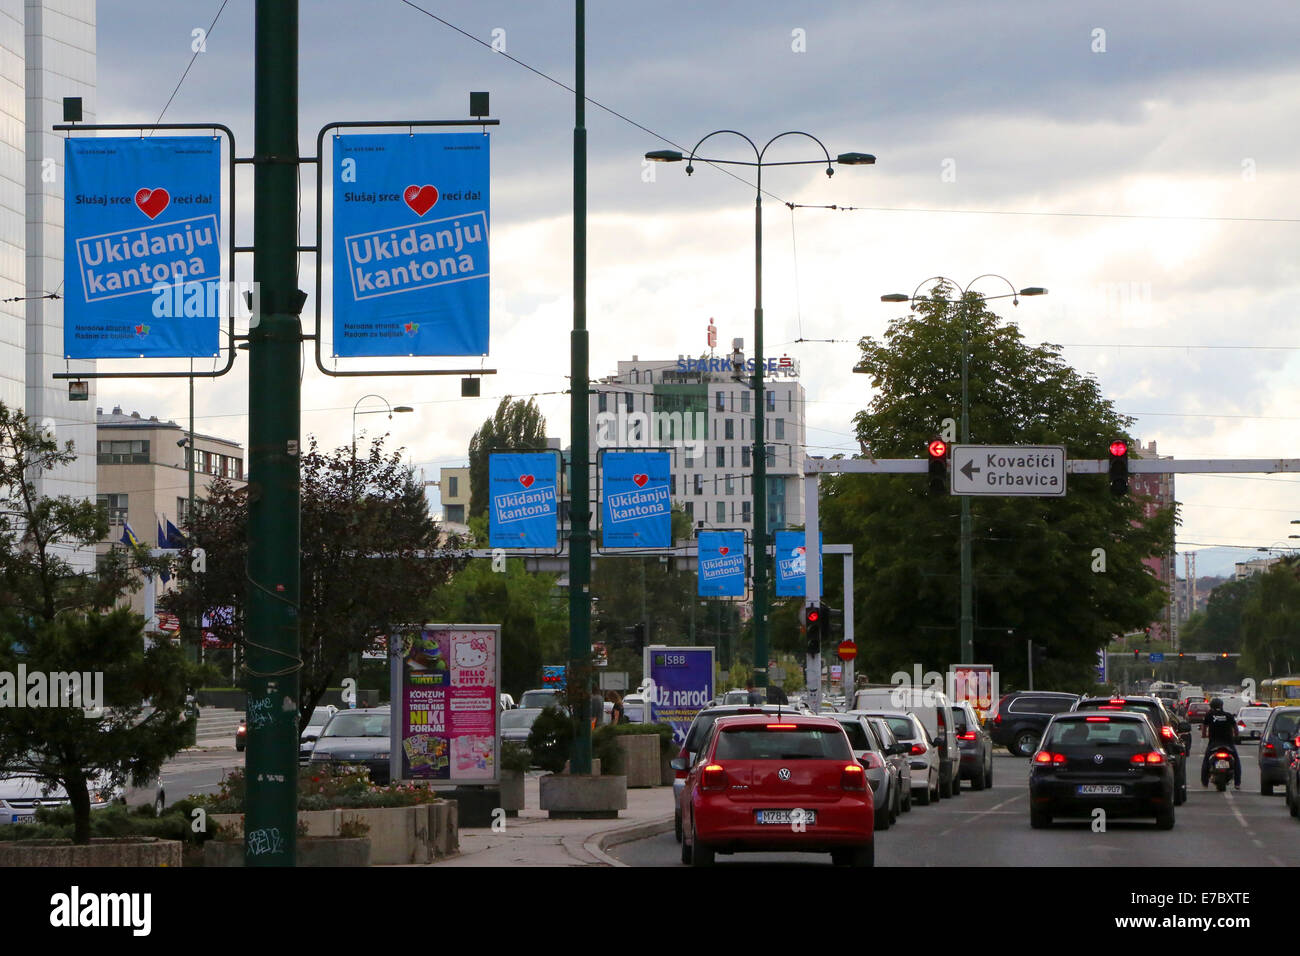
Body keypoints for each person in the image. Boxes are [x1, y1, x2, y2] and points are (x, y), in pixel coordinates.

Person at [1200, 697, 1240, 789]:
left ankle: (1204, 781)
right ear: (1222, 706)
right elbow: (1235, 728)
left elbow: (1204, 728)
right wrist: (1236, 736)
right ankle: (1237, 783)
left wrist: (1204, 735)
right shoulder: (1228, 715)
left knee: (1206, 760)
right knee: (1236, 761)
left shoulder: (1209, 715)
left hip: (1214, 743)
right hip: (1228, 743)